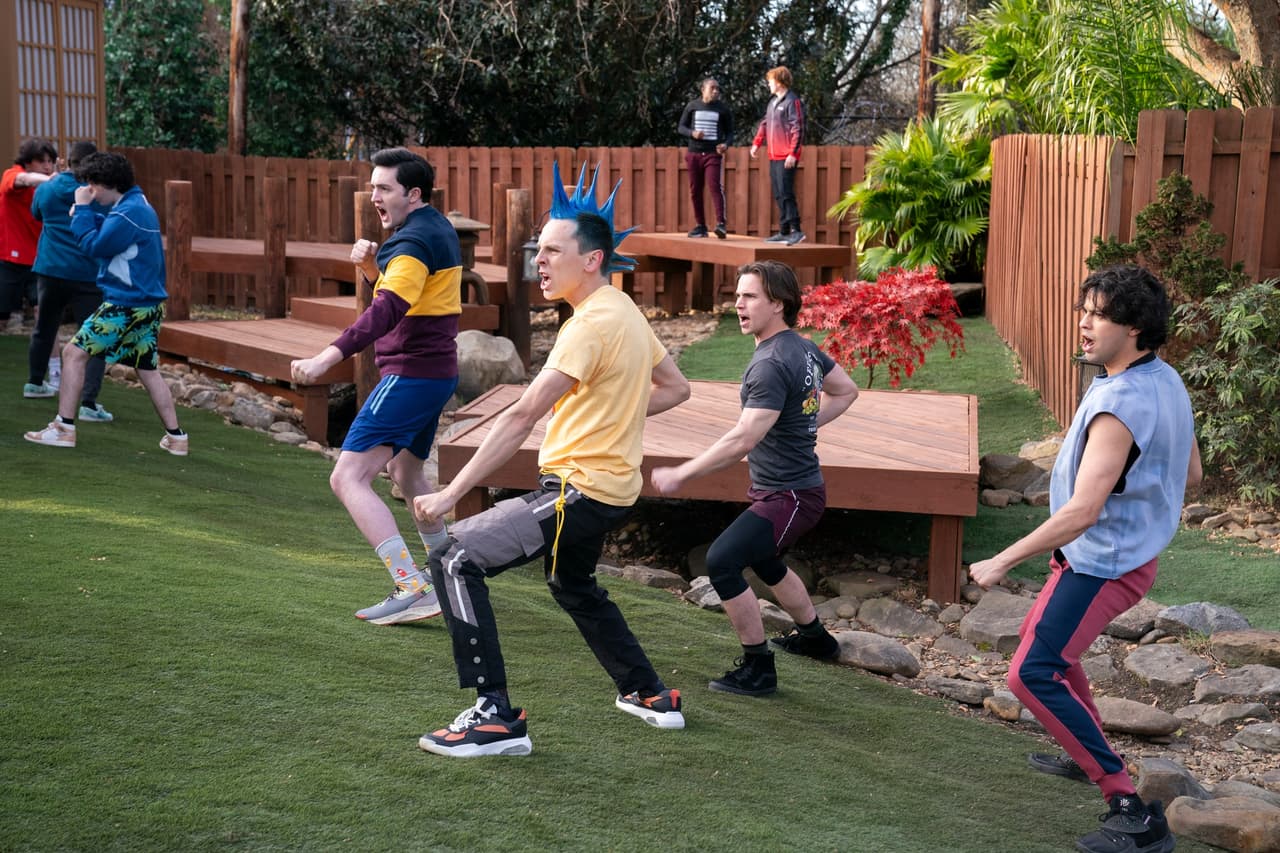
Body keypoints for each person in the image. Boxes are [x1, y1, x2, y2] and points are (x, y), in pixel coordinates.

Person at [412, 162, 692, 757]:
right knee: (573, 583)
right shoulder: (625, 313)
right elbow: (674, 388)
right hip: (611, 488)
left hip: (578, 489)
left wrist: (446, 492)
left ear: (592, 259)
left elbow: (520, 416)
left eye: (553, 250)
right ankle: (645, 692)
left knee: (457, 558)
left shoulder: (588, 325)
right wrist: (613, 415)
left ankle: (495, 718)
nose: (539, 259)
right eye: (538, 250)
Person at [969, 265, 1200, 853]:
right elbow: (1191, 473)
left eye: (1099, 314)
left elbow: (1082, 510)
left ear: (1135, 326)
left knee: (1029, 673)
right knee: (1045, 647)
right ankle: (1085, 749)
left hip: (1103, 563)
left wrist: (1000, 560)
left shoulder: (1120, 402)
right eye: (1085, 309)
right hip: (1111, 556)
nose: (1084, 323)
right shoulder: (1163, 379)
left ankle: (1131, 809)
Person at [651, 260, 858, 696]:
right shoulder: (802, 348)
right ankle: (817, 639)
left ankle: (759, 668)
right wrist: (799, 425)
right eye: (738, 296)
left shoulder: (770, 363)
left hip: (791, 496)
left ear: (777, 304)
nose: (738, 304)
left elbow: (744, 437)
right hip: (794, 492)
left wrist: (683, 473)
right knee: (766, 561)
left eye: (749, 297)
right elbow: (846, 390)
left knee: (722, 561)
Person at [290, 148, 461, 627]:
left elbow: (388, 310)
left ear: (413, 194)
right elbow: (411, 293)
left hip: (410, 374)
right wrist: (370, 269)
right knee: (408, 477)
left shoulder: (410, 243)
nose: (374, 196)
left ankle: (413, 586)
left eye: (384, 188)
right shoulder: (436, 228)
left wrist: (329, 356)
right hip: (436, 371)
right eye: (373, 186)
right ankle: (452, 574)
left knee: (346, 477)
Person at [23, 151, 188, 455]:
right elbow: (112, 231)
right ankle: (177, 437)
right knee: (146, 367)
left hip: (125, 303)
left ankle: (63, 428)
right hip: (147, 304)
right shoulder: (136, 205)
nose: (90, 191)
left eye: (93, 186)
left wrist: (83, 210)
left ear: (106, 184)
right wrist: (86, 212)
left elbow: (95, 247)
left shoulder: (128, 213)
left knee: (73, 353)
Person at [25, 140, 113, 422]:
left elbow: (36, 214)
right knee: (95, 337)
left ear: (66, 161)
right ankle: (88, 402)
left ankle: (36, 383)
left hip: (50, 268)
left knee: (45, 327)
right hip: (88, 273)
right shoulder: (98, 194)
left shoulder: (47, 189)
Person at [1, 138, 57, 331]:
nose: (48, 166)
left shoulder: (50, 187)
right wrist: (50, 180)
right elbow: (24, 179)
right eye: (42, 161)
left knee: (44, 312)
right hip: (9, 259)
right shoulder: (13, 174)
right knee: (2, 318)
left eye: (50, 161)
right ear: (27, 162)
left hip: (39, 260)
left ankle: (53, 362)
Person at [750, 66, 805, 245]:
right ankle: (784, 230)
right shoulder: (772, 103)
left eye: (770, 81)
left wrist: (793, 154)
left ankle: (797, 230)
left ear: (780, 82)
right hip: (773, 155)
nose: (768, 84)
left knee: (787, 192)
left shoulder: (792, 101)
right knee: (779, 193)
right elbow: (765, 124)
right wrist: (757, 143)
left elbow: (798, 128)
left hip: (786, 155)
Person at [678, 78, 733, 239]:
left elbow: (730, 133)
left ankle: (721, 224)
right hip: (694, 153)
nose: (716, 91)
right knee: (695, 190)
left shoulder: (722, 109)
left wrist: (725, 144)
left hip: (712, 154)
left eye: (718, 89)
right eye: (712, 88)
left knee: (714, 186)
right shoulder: (692, 106)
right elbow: (681, 127)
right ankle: (700, 226)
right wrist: (692, 133)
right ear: (703, 89)